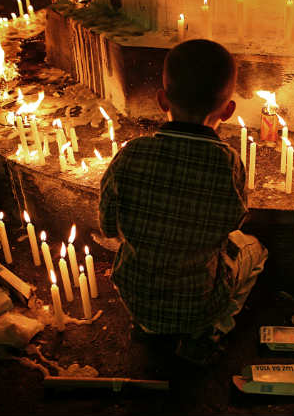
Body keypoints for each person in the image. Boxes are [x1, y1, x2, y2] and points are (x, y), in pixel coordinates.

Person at [99, 39, 268, 365]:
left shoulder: (132, 153)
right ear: (228, 109)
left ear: (162, 100)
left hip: (135, 294)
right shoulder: (227, 162)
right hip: (197, 302)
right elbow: (231, 226)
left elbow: (108, 225)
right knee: (255, 250)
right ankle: (210, 330)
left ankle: (148, 326)